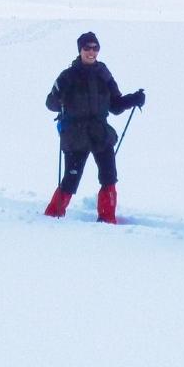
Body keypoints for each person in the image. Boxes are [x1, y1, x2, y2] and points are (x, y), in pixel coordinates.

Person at [44, 31, 145, 223]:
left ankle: (107, 220)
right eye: (87, 48)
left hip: (100, 133)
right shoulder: (67, 76)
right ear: (80, 50)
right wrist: (60, 98)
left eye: (95, 48)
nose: (91, 52)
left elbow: (115, 105)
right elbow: (50, 104)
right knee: (71, 179)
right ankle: (52, 215)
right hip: (75, 135)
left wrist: (133, 99)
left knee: (109, 177)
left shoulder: (103, 74)